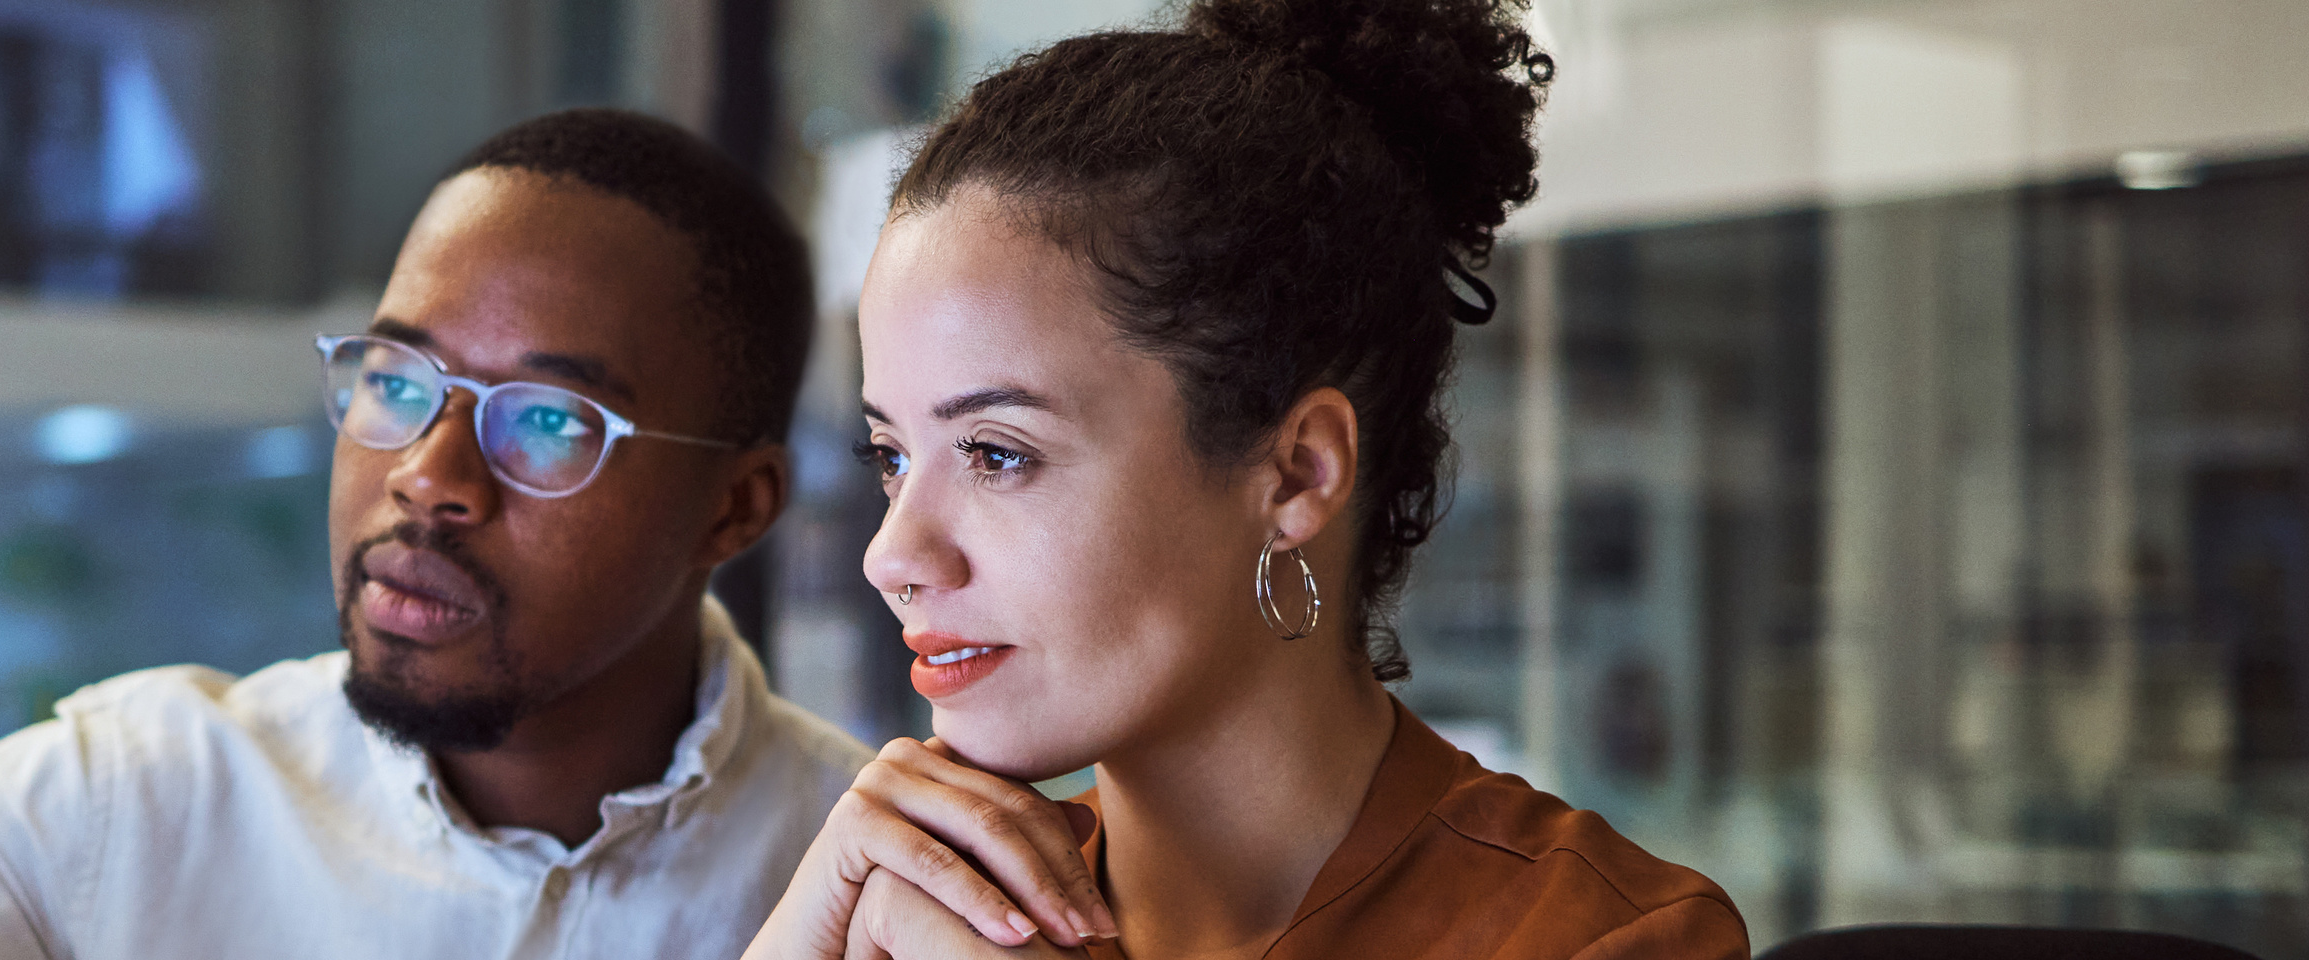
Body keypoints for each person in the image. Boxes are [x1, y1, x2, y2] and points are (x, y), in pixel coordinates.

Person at [0, 108, 876, 960]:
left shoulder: (870, 882)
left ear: (736, 507)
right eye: (397, 378)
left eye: (545, 419)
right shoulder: (132, 797)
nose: (431, 476)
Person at [741, 1, 1749, 958]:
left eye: (998, 454)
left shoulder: (1601, 939)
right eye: (891, 457)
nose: (892, 556)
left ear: (1297, 473)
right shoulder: (901, 915)